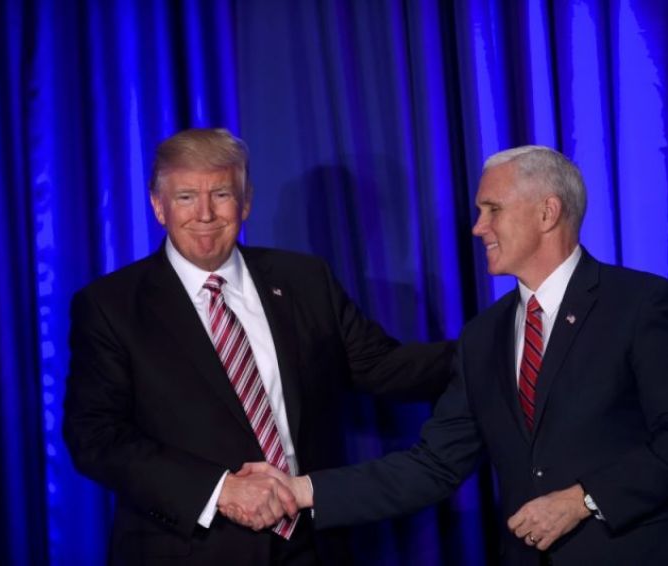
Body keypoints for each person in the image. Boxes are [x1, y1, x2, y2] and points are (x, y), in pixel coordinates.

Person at [243, 145, 668, 565]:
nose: (478, 227)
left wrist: (583, 499)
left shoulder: (640, 305)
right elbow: (433, 465)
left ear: (547, 213)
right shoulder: (483, 336)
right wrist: (300, 490)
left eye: (492, 209)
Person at [62, 128, 453, 566]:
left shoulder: (305, 280)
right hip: (189, 551)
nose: (205, 213)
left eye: (222, 194)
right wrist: (220, 490)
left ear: (246, 202)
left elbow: (384, 366)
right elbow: (95, 436)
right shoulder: (112, 305)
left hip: (312, 546)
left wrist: (496, 346)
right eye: (186, 197)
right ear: (158, 206)